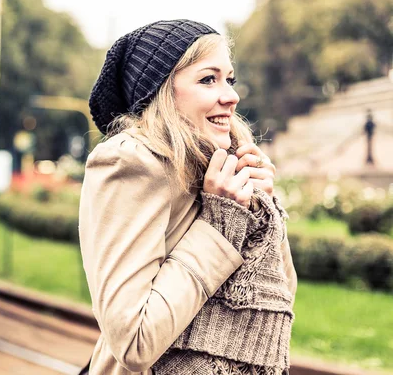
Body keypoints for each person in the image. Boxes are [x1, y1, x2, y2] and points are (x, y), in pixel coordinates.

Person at [79, 19, 297, 375]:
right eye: (208, 79)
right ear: (161, 91)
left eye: (230, 79)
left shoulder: (227, 163)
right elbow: (134, 343)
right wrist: (219, 224)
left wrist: (264, 208)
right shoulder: (130, 161)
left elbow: (281, 301)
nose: (231, 95)